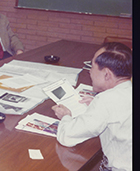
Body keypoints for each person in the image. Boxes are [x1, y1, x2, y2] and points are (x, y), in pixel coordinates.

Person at [52, 42, 132, 171]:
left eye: (92, 66)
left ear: (107, 74)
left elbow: (67, 136)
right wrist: (96, 104)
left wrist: (66, 116)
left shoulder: (107, 100)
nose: (89, 71)